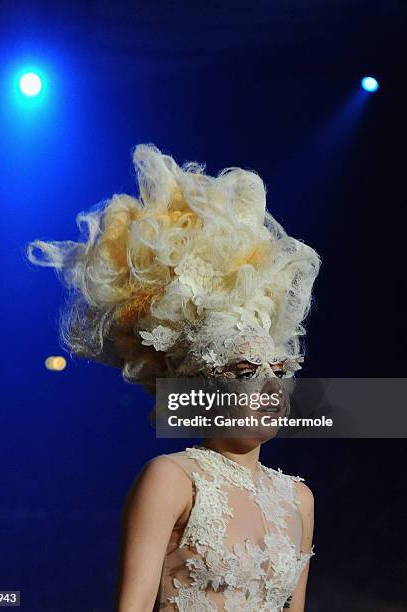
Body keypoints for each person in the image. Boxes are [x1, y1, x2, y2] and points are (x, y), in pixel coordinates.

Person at [26, 143, 321, 611]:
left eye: (279, 370)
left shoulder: (299, 498)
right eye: (244, 370)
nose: (269, 387)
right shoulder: (171, 479)